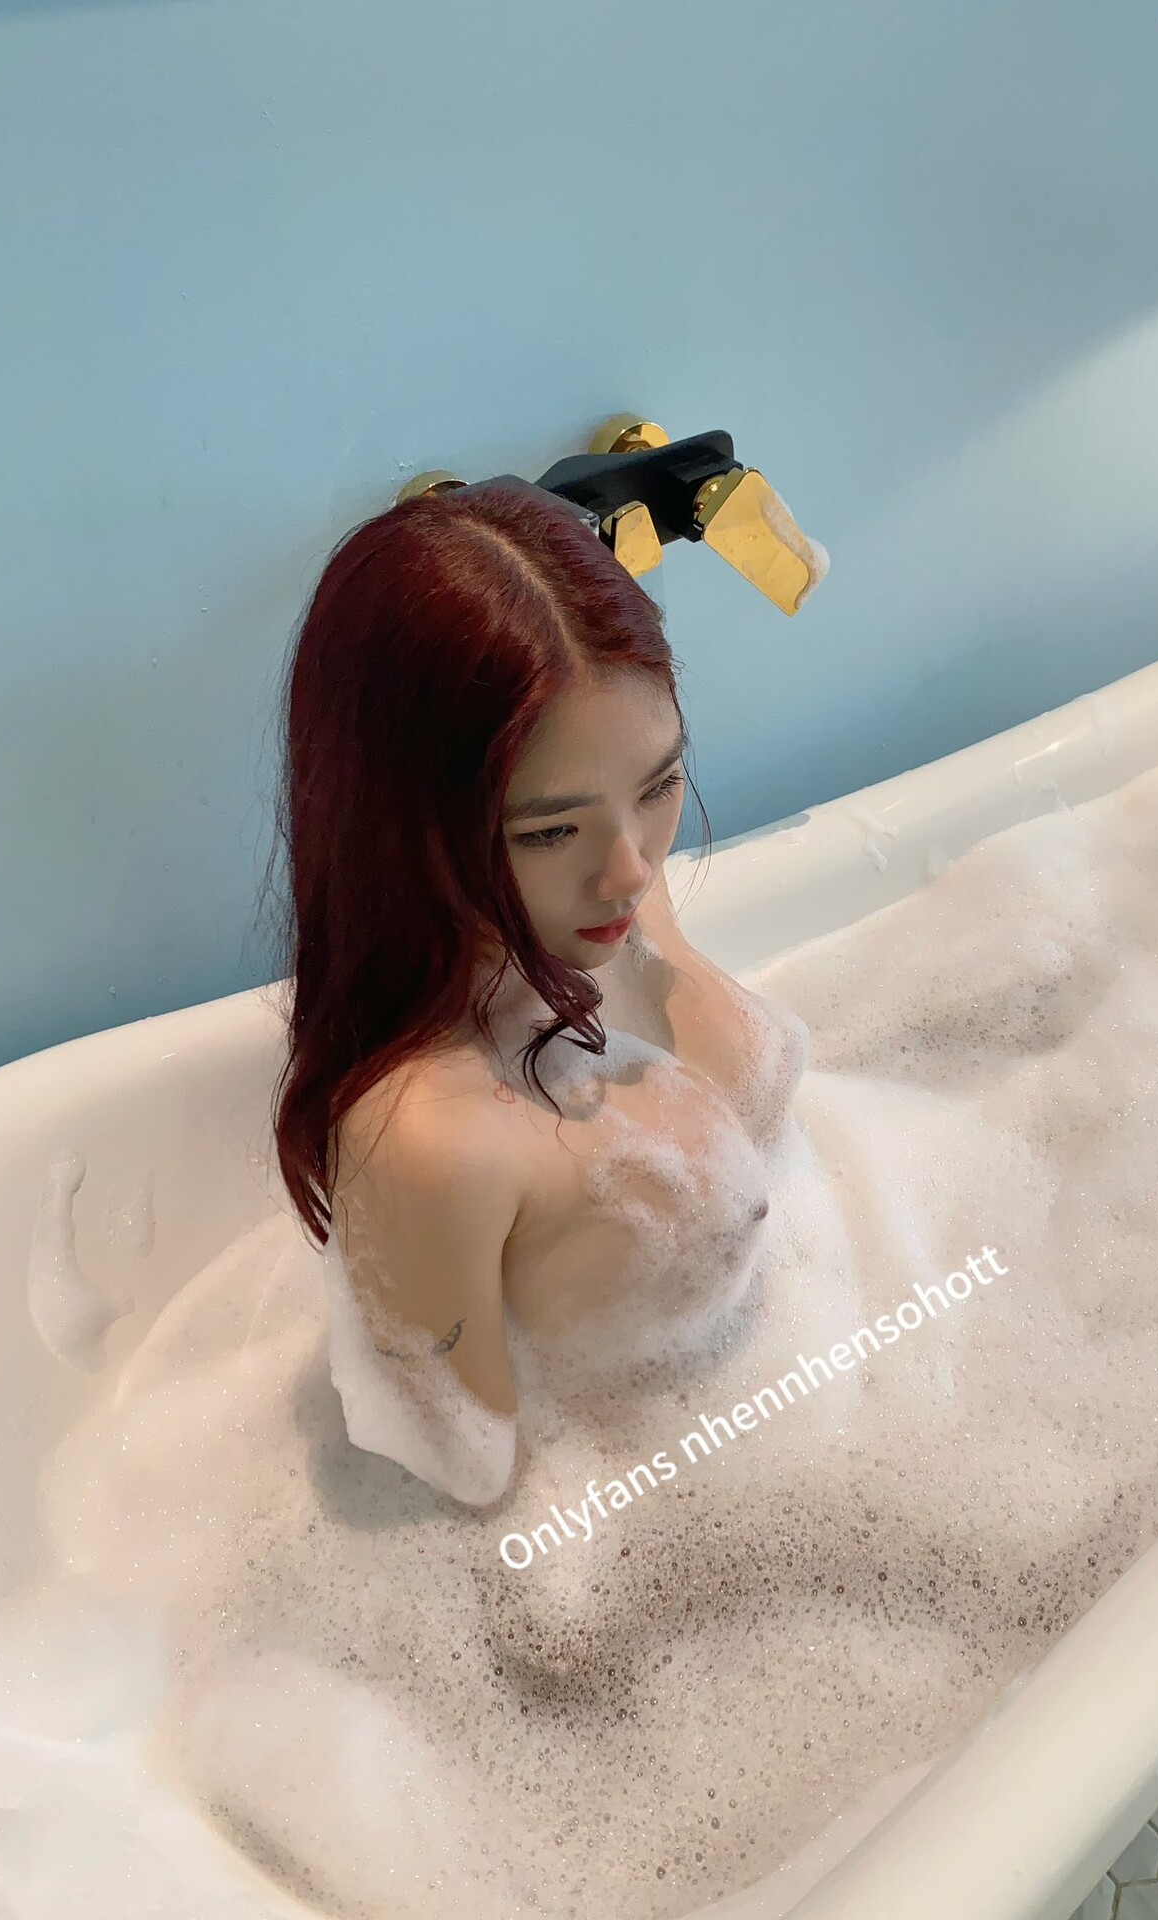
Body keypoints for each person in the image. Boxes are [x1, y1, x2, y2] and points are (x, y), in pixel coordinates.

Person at [267, 483, 811, 1506]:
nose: (632, 871)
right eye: (551, 830)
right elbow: (482, 1498)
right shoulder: (427, 1140)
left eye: (660, 785)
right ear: (400, 832)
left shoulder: (595, 910)